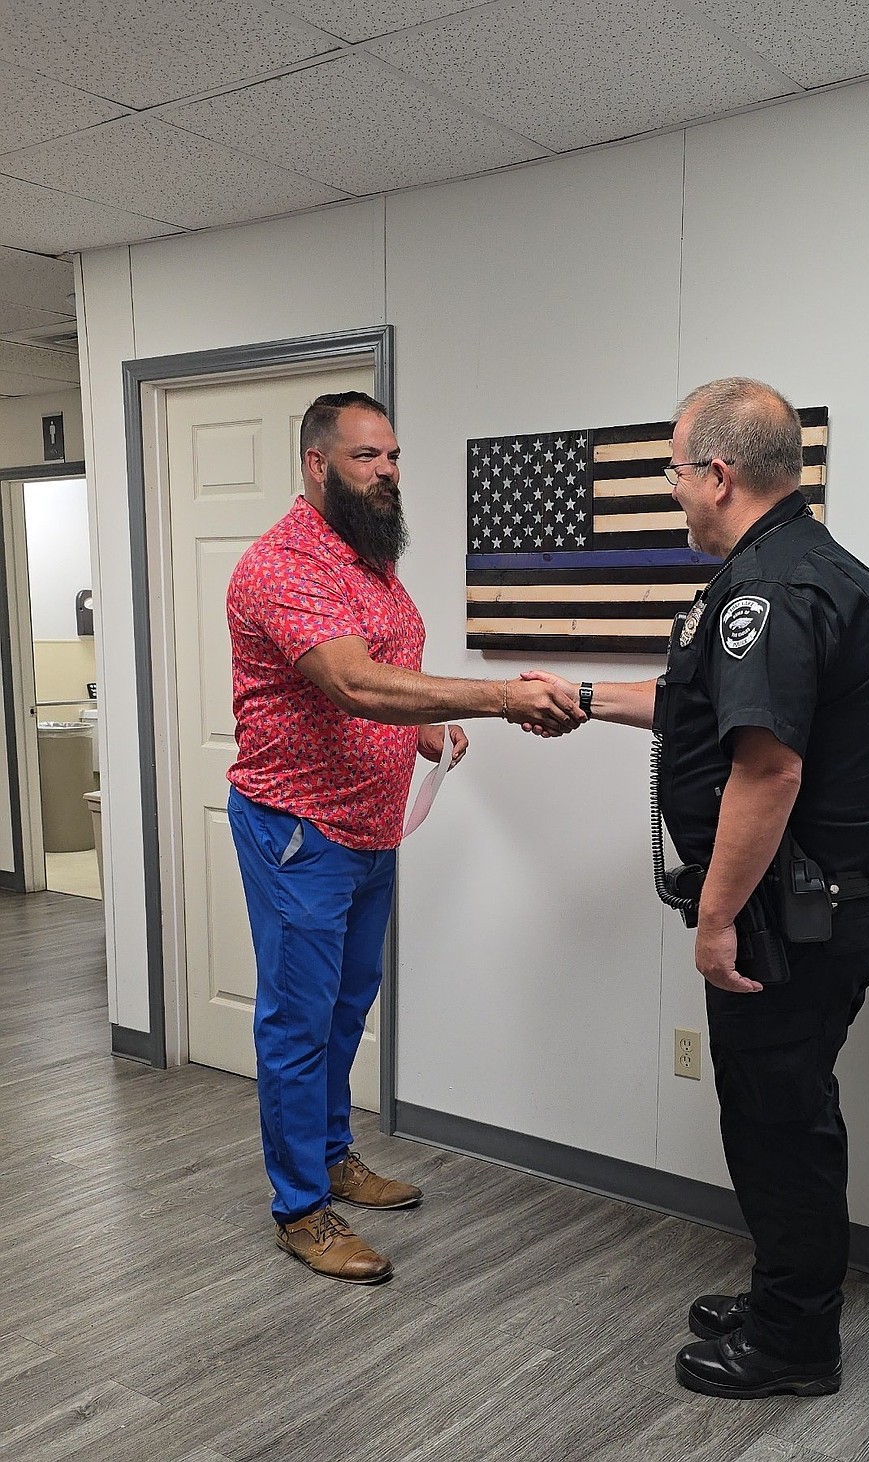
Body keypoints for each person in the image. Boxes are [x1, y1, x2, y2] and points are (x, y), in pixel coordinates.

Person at [522, 377, 869, 1397]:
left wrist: (717, 918)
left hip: (792, 911)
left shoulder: (768, 593)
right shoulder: (804, 570)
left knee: (779, 1119)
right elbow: (704, 704)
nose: (675, 492)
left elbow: (767, 768)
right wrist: (584, 698)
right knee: (774, 1109)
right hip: (816, 903)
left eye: (675, 472)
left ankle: (794, 1342)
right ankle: (787, 1293)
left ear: (719, 474)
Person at [227, 390, 582, 1285]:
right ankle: (301, 1208)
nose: (387, 472)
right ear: (317, 465)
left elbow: (385, 672)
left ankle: (334, 1154)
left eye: (392, 456)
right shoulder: (284, 564)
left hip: (368, 829)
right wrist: (496, 698)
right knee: (298, 1023)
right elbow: (352, 683)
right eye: (366, 458)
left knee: (347, 1007)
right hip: (297, 830)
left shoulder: (369, 558)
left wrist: (419, 729)